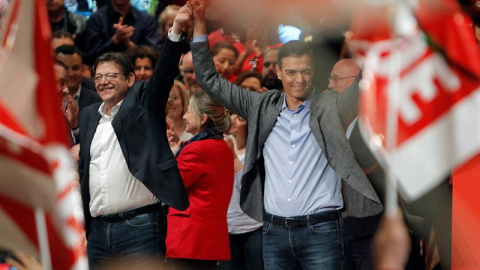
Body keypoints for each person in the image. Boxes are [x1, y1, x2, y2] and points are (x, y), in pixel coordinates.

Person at [180, 1, 383, 269]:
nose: (299, 79)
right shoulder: (260, 105)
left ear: (314, 71)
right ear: (278, 72)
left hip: (321, 231)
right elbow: (209, 79)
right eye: (290, 72)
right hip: (273, 232)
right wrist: (201, 24)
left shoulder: (332, 105)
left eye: (305, 71)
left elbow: (365, 84)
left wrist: (376, 33)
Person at [77, 15, 189, 268]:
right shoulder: (87, 115)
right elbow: (86, 168)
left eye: (111, 75)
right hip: (97, 230)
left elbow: (163, 74)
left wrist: (176, 31)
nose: (103, 81)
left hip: (139, 227)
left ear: (129, 80)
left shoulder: (142, 103)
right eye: (98, 77)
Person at [166, 91, 233, 270]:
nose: (184, 116)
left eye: (189, 111)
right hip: (208, 241)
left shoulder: (197, 149)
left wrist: (169, 156)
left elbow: (170, 186)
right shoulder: (222, 146)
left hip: (190, 241)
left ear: (203, 118)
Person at [221, 110, 264, 270]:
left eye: (240, 118)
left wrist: (232, 157)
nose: (233, 120)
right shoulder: (223, 143)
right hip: (228, 226)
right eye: (232, 115)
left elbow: (247, 187)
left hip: (253, 226)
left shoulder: (255, 151)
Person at [82, 0, 159, 65]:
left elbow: (154, 56)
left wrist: (129, 44)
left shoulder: (147, 20)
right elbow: (91, 57)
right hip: (105, 71)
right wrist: (114, 40)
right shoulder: (96, 19)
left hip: (140, 74)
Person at [54, 45, 101, 112]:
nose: (71, 74)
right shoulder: (45, 99)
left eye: (75, 68)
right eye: (65, 68)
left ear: (82, 69)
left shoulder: (97, 101)